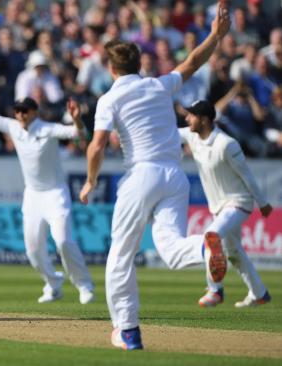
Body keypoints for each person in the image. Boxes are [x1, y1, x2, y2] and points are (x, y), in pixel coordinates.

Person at [79, 2, 231, 351]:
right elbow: (192, 62)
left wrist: (90, 180)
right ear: (138, 65)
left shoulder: (109, 98)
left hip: (141, 176)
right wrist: (214, 36)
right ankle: (206, 249)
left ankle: (128, 331)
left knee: (120, 255)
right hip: (175, 176)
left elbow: (97, 145)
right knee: (172, 251)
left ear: (111, 68)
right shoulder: (159, 85)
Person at [0, 66, 95, 305]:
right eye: (17, 110)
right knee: (33, 251)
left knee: (63, 242)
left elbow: (80, 137)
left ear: (35, 112)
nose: (20, 114)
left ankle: (84, 285)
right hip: (33, 196)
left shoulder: (48, 129)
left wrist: (78, 119)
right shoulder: (13, 127)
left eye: (24, 110)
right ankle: (52, 283)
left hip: (56, 193)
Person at [180, 100, 272, 308]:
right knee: (234, 252)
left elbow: (247, 175)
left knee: (211, 236)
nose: (187, 118)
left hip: (238, 202)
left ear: (204, 120)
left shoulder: (226, 144)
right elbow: (168, 133)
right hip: (218, 208)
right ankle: (259, 293)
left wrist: (263, 203)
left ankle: (215, 290)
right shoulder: (191, 135)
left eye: (191, 115)